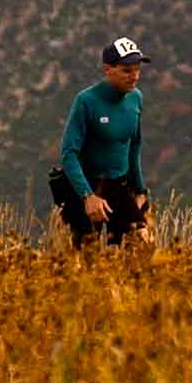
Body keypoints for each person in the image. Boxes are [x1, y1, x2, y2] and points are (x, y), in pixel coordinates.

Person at [55, 36, 153, 247]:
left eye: (137, 70)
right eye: (127, 71)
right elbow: (68, 153)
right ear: (108, 70)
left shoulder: (136, 98)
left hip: (118, 186)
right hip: (87, 187)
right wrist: (87, 196)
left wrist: (140, 190)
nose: (134, 76)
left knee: (140, 242)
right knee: (88, 258)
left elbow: (133, 146)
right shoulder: (86, 101)